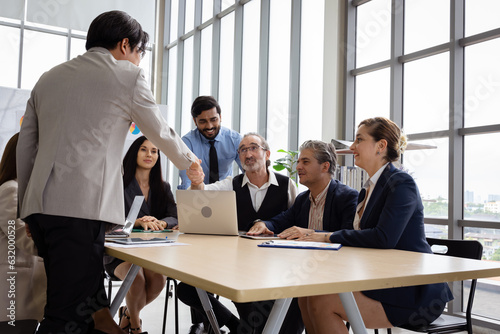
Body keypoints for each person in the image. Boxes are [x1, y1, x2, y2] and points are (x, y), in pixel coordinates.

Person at [16, 10, 199, 334]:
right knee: (66, 315)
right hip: (80, 210)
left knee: (88, 310)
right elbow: (158, 130)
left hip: (41, 211)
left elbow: (27, 147)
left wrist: (28, 210)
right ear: (126, 44)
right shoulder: (127, 77)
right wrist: (190, 162)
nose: (140, 62)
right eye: (141, 53)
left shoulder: (49, 77)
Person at [297, 117, 453, 333]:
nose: (352, 147)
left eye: (359, 140)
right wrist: (316, 235)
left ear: (381, 146)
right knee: (307, 296)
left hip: (412, 290)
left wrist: (326, 236)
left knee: (322, 302)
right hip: (381, 280)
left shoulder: (401, 183)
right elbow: (357, 235)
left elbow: (383, 238)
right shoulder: (368, 189)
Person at [178, 132, 299, 334]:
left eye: (253, 148)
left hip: (275, 265)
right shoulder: (231, 184)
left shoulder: (287, 185)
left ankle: (244, 328)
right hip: (237, 264)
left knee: (260, 322)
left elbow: (297, 220)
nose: (248, 154)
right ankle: (236, 325)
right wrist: (196, 181)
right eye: (242, 150)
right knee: (187, 289)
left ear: (267, 154)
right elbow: (202, 195)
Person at [104, 136, 177, 333]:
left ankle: (127, 313)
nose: (149, 155)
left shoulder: (163, 187)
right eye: (144, 149)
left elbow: (175, 216)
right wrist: (134, 221)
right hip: (119, 252)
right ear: (134, 152)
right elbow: (106, 217)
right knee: (136, 279)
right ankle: (135, 326)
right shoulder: (117, 184)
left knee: (159, 279)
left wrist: (162, 222)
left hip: (150, 251)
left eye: (154, 151)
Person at [247, 140, 358, 239]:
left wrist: (310, 233)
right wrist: (263, 224)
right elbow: (279, 222)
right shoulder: (303, 199)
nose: (298, 167)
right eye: (298, 162)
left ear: (325, 167)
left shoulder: (347, 197)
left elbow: (348, 235)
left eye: (305, 162)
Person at [0, 133, 46, 324]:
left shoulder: (26, 189)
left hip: (26, 285)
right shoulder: (11, 189)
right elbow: (20, 236)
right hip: (16, 288)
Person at [178, 96, 242, 190]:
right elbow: (187, 181)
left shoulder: (235, 140)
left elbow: (248, 172)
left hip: (225, 194)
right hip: (197, 194)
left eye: (213, 119)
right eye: (203, 121)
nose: (209, 126)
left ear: (220, 117)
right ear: (195, 121)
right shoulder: (187, 143)